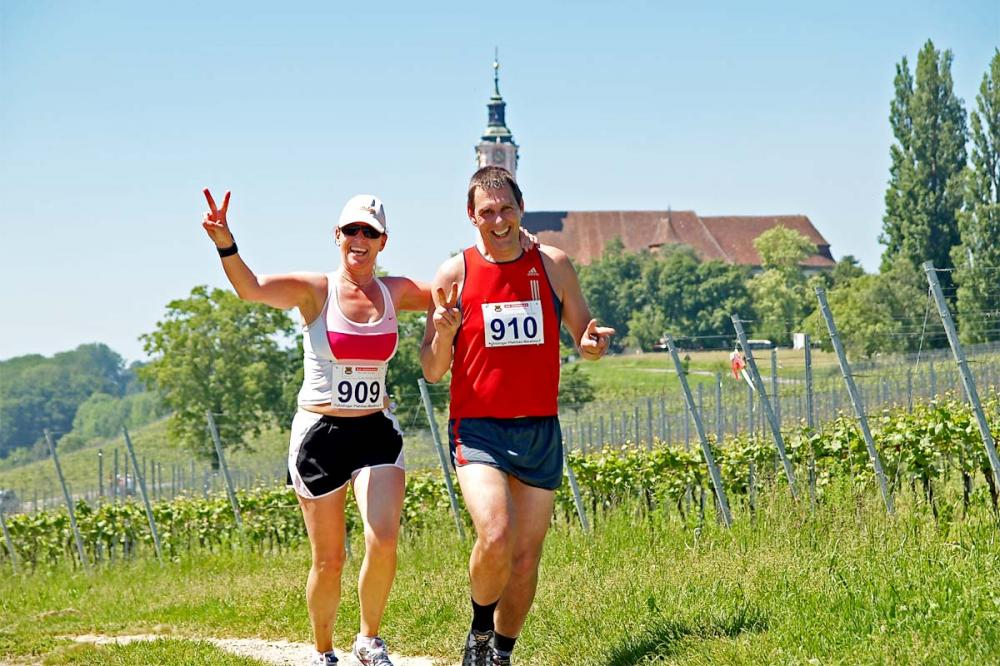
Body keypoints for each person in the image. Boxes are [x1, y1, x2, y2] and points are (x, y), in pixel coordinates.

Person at [201, 188, 536, 666]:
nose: (360, 239)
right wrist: (225, 242)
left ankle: (369, 639)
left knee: (383, 538)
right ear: (337, 237)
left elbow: (464, 287)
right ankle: (322, 649)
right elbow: (250, 287)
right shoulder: (315, 290)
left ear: (383, 242)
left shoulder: (394, 292)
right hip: (320, 435)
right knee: (329, 559)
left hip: (375, 430)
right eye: (352, 230)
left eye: (370, 232)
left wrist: (509, 243)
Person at [419, 167, 615, 665]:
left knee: (526, 560)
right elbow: (433, 370)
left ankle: (501, 654)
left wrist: (591, 345)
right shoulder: (453, 274)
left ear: (521, 208)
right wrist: (443, 331)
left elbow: (583, 336)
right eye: (487, 211)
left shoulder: (554, 265)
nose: (499, 219)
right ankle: (479, 634)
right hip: (478, 427)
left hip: (539, 428)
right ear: (471, 216)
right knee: (496, 534)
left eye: (506, 208)